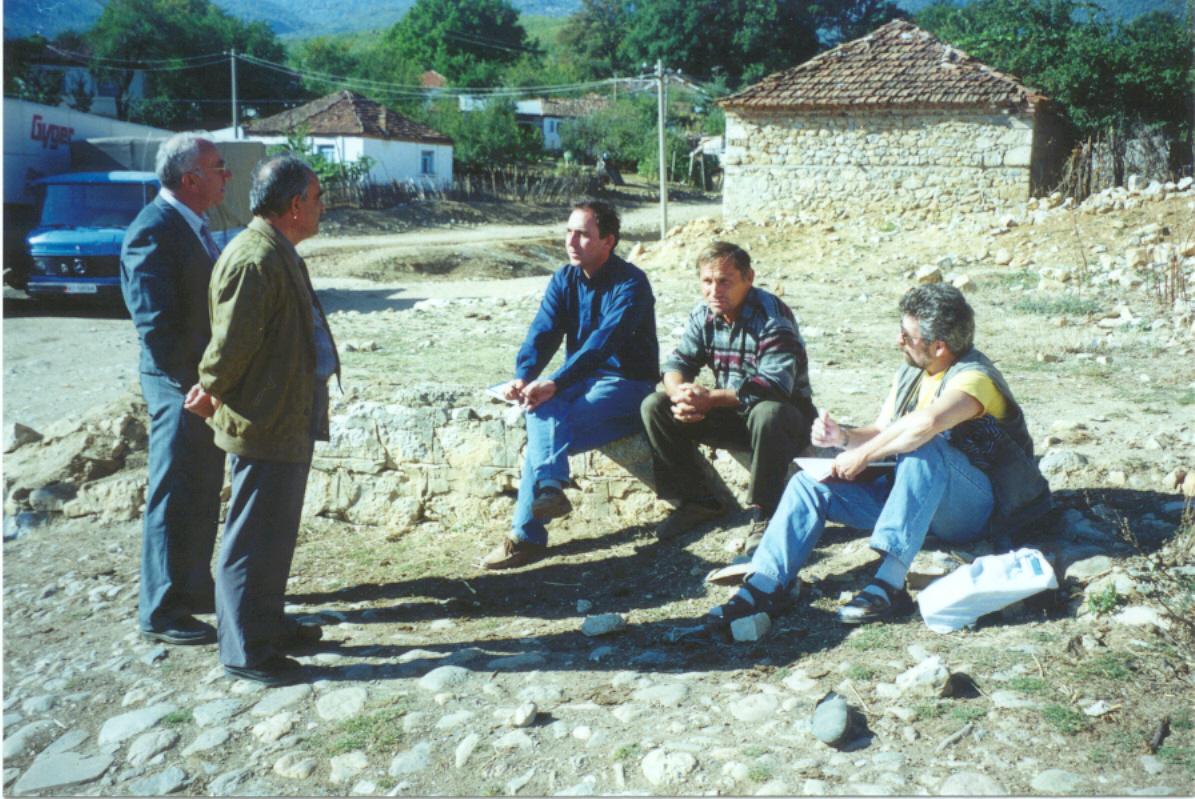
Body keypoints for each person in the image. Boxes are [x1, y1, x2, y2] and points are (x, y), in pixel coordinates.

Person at [708, 283, 1051, 626]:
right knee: (807, 486)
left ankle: (889, 585)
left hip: (976, 510)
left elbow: (926, 424)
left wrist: (864, 456)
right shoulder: (913, 372)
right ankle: (766, 584)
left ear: (939, 346)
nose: (898, 340)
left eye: (907, 335)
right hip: (917, 498)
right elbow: (882, 430)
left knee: (924, 444)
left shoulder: (975, 378)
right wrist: (843, 438)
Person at [184, 153, 339, 686]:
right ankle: (245, 651)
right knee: (253, 537)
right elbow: (231, 344)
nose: (322, 208)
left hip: (284, 415)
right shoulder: (254, 258)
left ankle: (265, 625)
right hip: (264, 420)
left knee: (274, 533)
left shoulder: (275, 250)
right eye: (317, 198)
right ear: (294, 205)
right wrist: (210, 388)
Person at [482, 199, 659, 570]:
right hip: (580, 379)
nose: (571, 242)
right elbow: (543, 331)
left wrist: (555, 381)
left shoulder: (632, 283)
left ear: (608, 241)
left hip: (626, 384)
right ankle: (549, 492)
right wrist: (524, 376)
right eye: (568, 232)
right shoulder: (564, 279)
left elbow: (602, 344)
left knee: (547, 435)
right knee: (538, 406)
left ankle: (526, 536)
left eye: (582, 234)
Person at [121, 132, 230, 646]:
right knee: (173, 492)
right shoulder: (153, 230)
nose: (227, 175)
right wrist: (195, 388)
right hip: (177, 385)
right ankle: (161, 610)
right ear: (191, 179)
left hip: (200, 384)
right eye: (219, 166)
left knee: (201, 487)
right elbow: (157, 328)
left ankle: (192, 586)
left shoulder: (191, 224)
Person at [641, 241, 816, 542]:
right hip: (734, 415)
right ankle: (698, 501)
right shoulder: (704, 314)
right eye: (707, 281)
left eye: (724, 281)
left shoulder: (773, 317)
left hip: (787, 420)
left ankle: (766, 513)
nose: (714, 291)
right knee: (655, 406)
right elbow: (677, 363)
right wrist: (681, 395)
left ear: (749, 278)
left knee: (768, 412)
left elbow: (774, 385)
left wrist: (709, 399)